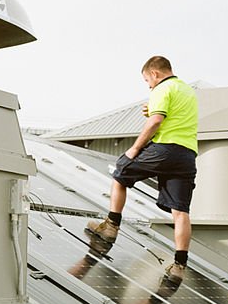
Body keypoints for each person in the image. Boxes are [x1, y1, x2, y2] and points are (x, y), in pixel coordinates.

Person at [85, 56, 198, 286]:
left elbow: (156, 121)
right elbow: (170, 115)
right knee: (180, 212)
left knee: (121, 171)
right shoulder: (187, 91)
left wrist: (135, 148)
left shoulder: (161, 87)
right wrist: (154, 110)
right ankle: (179, 266)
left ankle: (111, 226)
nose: (148, 85)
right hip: (187, 155)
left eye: (147, 80)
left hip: (164, 148)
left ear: (155, 74)